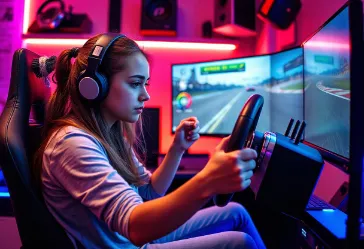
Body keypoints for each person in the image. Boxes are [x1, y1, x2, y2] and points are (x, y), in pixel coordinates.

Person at [33, 33, 266, 249]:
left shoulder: (110, 136)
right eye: (135, 83)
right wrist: (208, 181)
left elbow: (150, 194)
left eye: (146, 83)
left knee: (236, 212)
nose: (146, 94)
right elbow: (136, 226)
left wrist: (177, 149)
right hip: (131, 242)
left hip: (131, 239)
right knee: (239, 243)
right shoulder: (72, 143)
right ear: (95, 86)